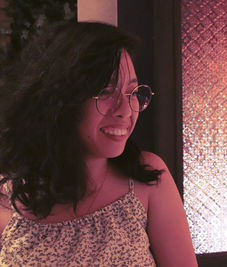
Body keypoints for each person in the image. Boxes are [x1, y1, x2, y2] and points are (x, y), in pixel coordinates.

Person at [0, 22, 198, 266]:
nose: (126, 110)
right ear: (59, 100)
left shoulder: (147, 181)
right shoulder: (7, 198)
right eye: (105, 91)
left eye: (133, 92)